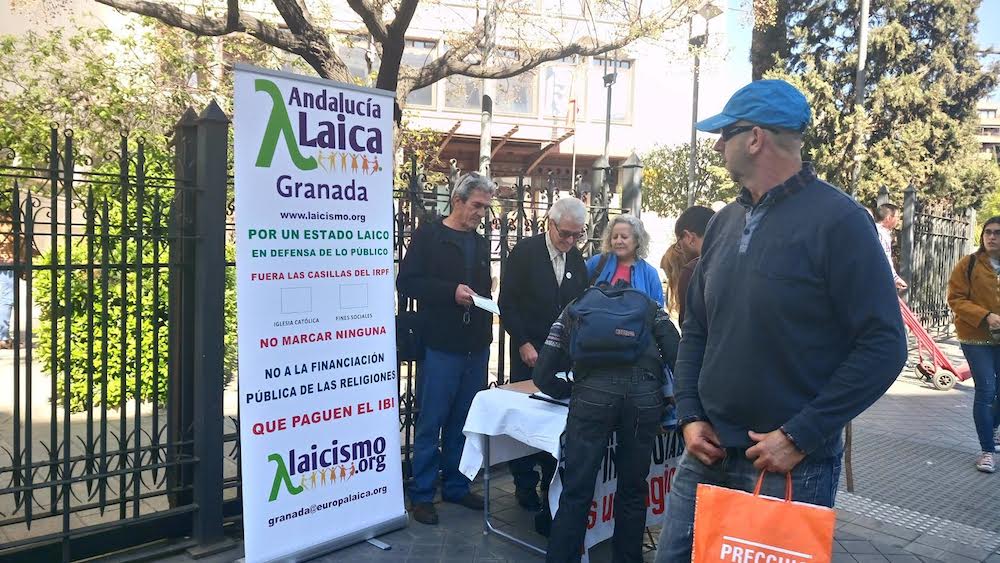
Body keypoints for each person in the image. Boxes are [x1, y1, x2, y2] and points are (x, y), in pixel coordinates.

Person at [655, 79, 907, 561]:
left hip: (789, 464)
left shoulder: (841, 221)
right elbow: (698, 332)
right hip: (704, 453)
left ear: (755, 139)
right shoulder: (724, 222)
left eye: (725, 132)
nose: (717, 144)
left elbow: (884, 346)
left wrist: (800, 435)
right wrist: (689, 415)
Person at [534, 286, 680, 563]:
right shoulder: (649, 306)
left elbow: (542, 374)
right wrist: (675, 403)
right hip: (644, 399)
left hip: (591, 396)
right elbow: (678, 354)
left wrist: (568, 389)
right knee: (633, 489)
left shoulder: (576, 305)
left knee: (576, 490)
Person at [396, 172, 495, 525]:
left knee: (462, 420)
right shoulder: (429, 235)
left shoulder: (481, 243)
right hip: (440, 344)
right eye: (476, 206)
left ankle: (455, 484)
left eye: (485, 208)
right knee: (431, 420)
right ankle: (422, 494)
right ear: (457, 200)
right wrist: (449, 292)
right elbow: (406, 282)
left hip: (475, 344)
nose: (481, 214)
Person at [497, 197, 589, 511]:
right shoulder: (525, 252)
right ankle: (523, 483)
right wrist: (522, 342)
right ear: (550, 224)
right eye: (565, 234)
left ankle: (550, 480)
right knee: (527, 417)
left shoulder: (575, 257)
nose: (570, 241)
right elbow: (507, 303)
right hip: (530, 350)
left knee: (553, 419)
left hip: (562, 356)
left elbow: (580, 305)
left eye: (577, 235)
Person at [946, 217, 1000, 473]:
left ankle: (993, 429)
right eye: (988, 232)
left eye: (997, 233)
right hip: (975, 337)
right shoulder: (968, 264)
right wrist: (985, 315)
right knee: (986, 389)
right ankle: (987, 451)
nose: (991, 237)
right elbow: (955, 298)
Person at [586, 214, 664, 307]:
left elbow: (658, 311)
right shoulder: (596, 263)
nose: (618, 241)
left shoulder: (649, 273)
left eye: (624, 237)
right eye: (614, 237)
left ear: (637, 240)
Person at [660, 206, 715, 326]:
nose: (680, 249)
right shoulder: (736, 263)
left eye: (679, 243)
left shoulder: (691, 272)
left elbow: (691, 332)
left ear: (689, 237)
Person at [875, 203, 908, 291]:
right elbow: (885, 258)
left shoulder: (874, 230)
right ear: (889, 218)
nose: (898, 220)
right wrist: (895, 278)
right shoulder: (881, 234)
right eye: (897, 217)